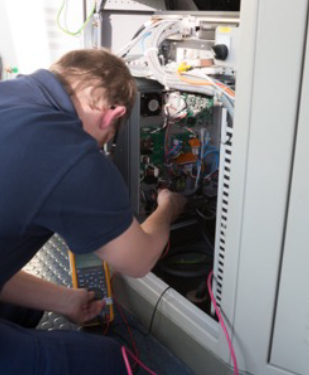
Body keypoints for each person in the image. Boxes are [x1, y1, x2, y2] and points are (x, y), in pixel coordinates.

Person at [0, 49, 186, 375]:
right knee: (111, 361)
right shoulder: (70, 152)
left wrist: (64, 300)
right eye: (108, 140)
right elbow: (138, 260)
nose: (103, 146)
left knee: (21, 311)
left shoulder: (11, 95)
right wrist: (168, 208)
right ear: (111, 116)